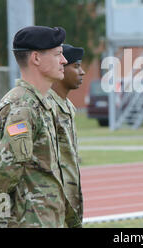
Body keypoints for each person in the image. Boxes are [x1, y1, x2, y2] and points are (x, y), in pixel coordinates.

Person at [0, 26, 81, 228]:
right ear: (36, 58)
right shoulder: (23, 108)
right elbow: (6, 172)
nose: (63, 61)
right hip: (29, 221)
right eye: (58, 54)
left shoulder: (42, 103)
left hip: (47, 219)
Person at [48, 44, 85, 228]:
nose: (83, 72)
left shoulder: (67, 106)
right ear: (61, 68)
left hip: (69, 203)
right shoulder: (45, 106)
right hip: (50, 205)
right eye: (76, 66)